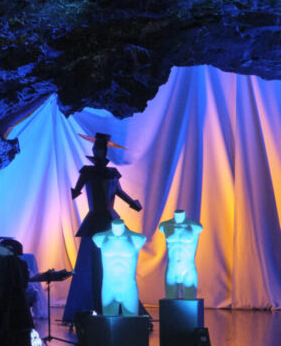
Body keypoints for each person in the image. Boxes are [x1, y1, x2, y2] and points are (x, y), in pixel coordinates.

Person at [62, 133, 142, 323]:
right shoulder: (87, 172)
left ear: (104, 151)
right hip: (95, 220)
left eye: (101, 149)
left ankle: (115, 305)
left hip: (108, 219)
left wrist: (133, 203)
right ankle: (89, 306)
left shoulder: (111, 173)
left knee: (110, 263)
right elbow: (77, 190)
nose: (98, 151)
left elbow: (119, 192)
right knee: (89, 265)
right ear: (94, 150)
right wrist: (73, 191)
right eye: (96, 149)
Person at [92, 219, 146, 317]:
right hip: (108, 287)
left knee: (131, 324)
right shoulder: (100, 237)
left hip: (128, 286)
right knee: (109, 326)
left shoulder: (137, 238)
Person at [159, 209, 202, 299]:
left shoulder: (195, 226)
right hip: (172, 269)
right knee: (170, 304)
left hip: (188, 268)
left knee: (190, 304)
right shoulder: (165, 226)